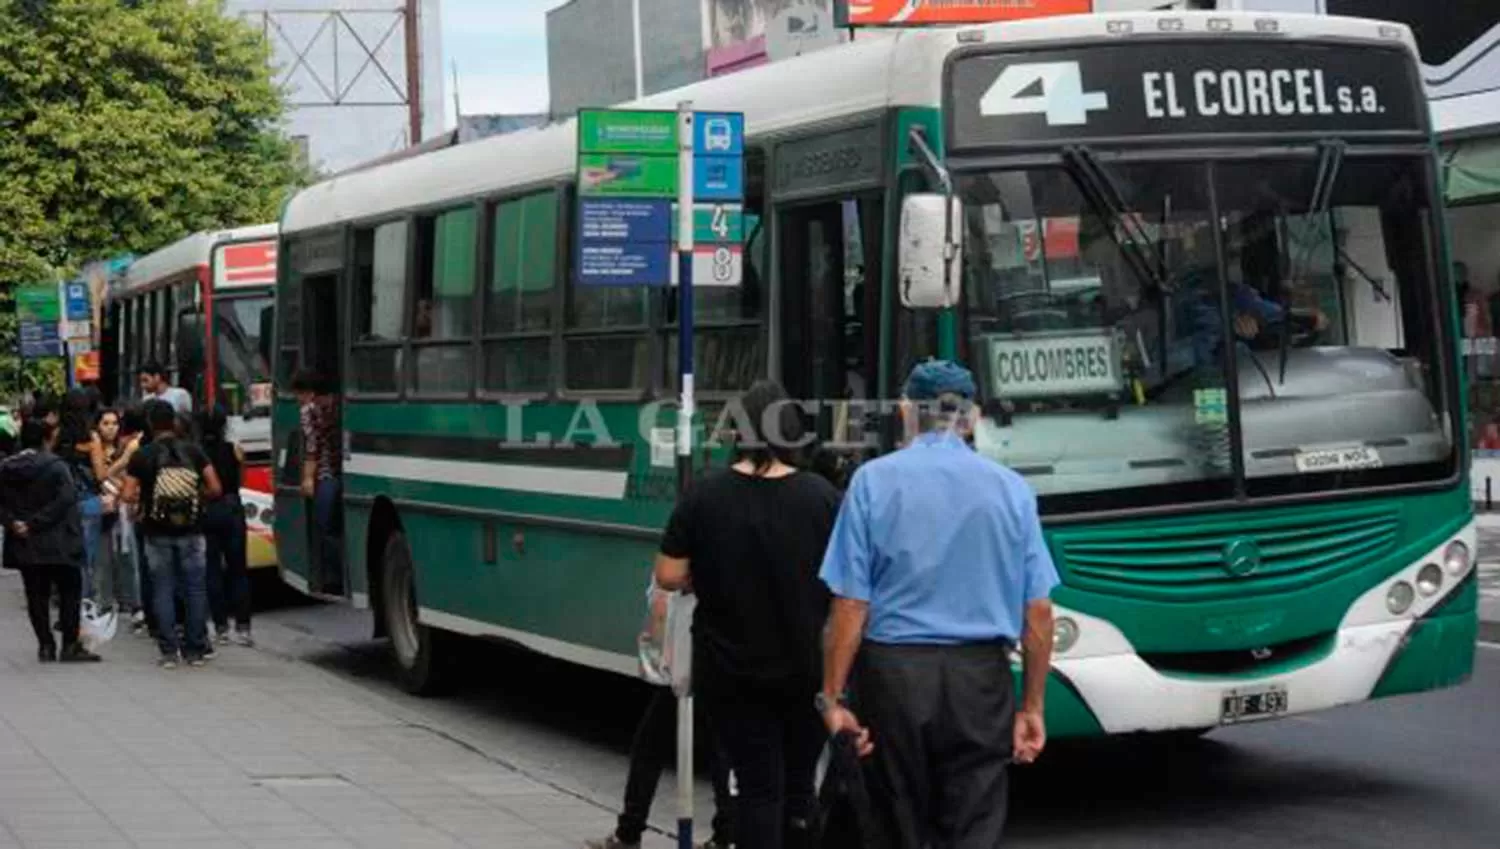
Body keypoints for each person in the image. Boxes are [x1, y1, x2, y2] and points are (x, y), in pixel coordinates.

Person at [818, 360, 1059, 849]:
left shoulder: (871, 482)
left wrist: (833, 698)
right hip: (980, 681)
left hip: (894, 679)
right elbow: (1038, 612)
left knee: (896, 820)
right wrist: (1031, 706)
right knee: (973, 822)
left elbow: (850, 606)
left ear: (906, 411)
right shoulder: (1012, 489)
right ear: (973, 418)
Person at [655, 380, 842, 849]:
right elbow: (846, 583)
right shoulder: (822, 497)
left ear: (738, 431)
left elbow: (668, 575)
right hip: (805, 668)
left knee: (757, 786)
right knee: (800, 785)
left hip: (730, 669)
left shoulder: (705, 495)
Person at [584, 579, 736, 849]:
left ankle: (629, 832)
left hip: (691, 652)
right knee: (717, 746)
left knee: (652, 746)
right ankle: (726, 834)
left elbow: (672, 578)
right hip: (710, 651)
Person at [123, 400, 223, 668]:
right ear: (174, 422)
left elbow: (128, 494)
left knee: (162, 588)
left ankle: (169, 651)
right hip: (192, 530)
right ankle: (196, 649)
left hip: (156, 531)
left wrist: (143, 504)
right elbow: (216, 487)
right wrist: (196, 498)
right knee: (194, 589)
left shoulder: (142, 455)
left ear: (150, 424)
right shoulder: (194, 451)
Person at [0, 420, 102, 663]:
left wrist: (14, 523)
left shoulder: (6, 468)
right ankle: (69, 644)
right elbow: (66, 498)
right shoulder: (57, 467)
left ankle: (45, 644)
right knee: (69, 590)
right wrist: (36, 522)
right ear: (48, 439)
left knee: (36, 594)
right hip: (59, 539)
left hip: (25, 542)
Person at [198, 405, 253, 646]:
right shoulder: (235, 450)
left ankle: (220, 627)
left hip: (207, 510)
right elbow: (241, 480)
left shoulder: (196, 452)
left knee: (212, 569)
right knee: (238, 569)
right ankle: (243, 627)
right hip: (232, 509)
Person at [294, 368, 343, 593]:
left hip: (326, 475)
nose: (297, 399)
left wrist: (307, 479)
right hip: (345, 472)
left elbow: (312, 448)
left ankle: (334, 578)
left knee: (325, 525)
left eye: (299, 394)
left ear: (310, 393)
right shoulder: (337, 403)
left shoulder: (308, 411)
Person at [57, 388, 104, 600]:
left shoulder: (57, 436)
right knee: (87, 556)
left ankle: (67, 599)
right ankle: (84, 601)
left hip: (61, 502)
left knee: (65, 555)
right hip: (88, 499)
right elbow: (100, 474)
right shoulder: (91, 438)